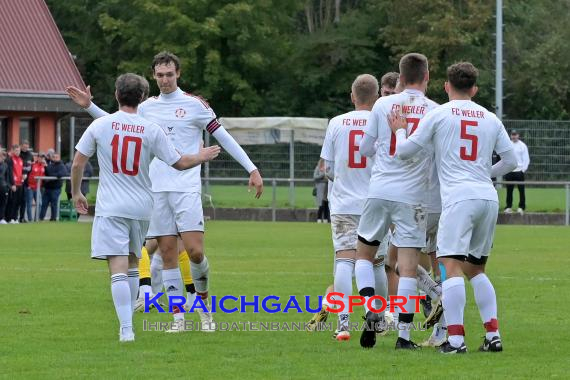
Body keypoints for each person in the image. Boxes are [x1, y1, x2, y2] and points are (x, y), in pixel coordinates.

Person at [67, 51, 263, 332]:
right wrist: (89, 106)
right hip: (156, 190)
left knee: (195, 252)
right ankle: (178, 318)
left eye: (169, 74)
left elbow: (223, 136)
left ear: (178, 74)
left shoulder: (195, 105)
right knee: (168, 254)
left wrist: (251, 168)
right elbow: (115, 124)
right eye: (159, 75)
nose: (165, 80)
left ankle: (204, 304)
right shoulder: (147, 107)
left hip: (185, 188)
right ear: (153, 76)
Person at [70, 73, 220, 342]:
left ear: (117, 94)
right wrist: (201, 156)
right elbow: (179, 162)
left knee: (118, 267)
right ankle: (142, 319)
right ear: (142, 98)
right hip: (142, 208)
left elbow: (78, 163)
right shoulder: (151, 129)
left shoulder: (101, 125)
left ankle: (126, 329)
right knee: (131, 262)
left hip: (111, 207)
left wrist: (76, 192)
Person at [389, 61, 517, 353]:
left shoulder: (439, 114)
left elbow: (405, 152)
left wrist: (399, 130)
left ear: (446, 86)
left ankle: (456, 340)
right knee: (477, 269)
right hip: (487, 197)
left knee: (451, 266)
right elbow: (511, 162)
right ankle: (492, 336)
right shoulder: (489, 117)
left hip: (459, 199)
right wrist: (484, 173)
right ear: (474, 88)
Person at [356, 53, 438, 350]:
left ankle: (369, 307)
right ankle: (403, 337)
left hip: (379, 189)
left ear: (400, 78)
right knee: (408, 266)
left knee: (364, 255)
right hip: (413, 196)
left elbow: (366, 149)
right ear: (427, 77)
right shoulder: (435, 110)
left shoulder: (382, 104)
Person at [320, 74, 384, 341]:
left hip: (344, 202)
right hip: (375, 201)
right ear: (378, 96)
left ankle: (343, 323)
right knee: (376, 263)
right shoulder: (381, 122)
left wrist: (342, 180)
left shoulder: (336, 123)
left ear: (352, 96)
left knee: (344, 260)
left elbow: (326, 168)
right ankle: (378, 318)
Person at [504, 130, 530, 215]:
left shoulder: (522, 146)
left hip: (519, 171)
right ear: (511, 136)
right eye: (512, 135)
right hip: (510, 171)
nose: (514, 136)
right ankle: (508, 207)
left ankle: (521, 207)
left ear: (518, 135)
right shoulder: (508, 145)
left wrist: (523, 170)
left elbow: (526, 159)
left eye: (515, 135)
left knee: (521, 190)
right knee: (509, 190)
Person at [39, 153, 67, 221]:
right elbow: (47, 173)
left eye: (56, 157)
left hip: (56, 188)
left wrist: (52, 176)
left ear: (59, 158)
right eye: (53, 157)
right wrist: (46, 167)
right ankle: (41, 218)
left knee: (54, 204)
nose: (55, 158)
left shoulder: (62, 166)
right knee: (44, 204)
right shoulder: (50, 165)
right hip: (47, 188)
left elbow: (62, 174)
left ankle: (53, 218)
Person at [26, 153, 46, 222]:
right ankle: (30, 219)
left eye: (43, 158)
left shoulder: (43, 166)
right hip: (30, 187)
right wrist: (27, 185)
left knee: (39, 203)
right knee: (29, 204)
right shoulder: (32, 165)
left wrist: (46, 166)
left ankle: (36, 218)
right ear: (37, 158)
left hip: (38, 188)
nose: (41, 159)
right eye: (40, 157)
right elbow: (27, 175)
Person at [6, 145, 24, 224]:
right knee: (12, 201)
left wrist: (23, 177)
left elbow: (20, 171)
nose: (18, 152)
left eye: (19, 150)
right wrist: (12, 184)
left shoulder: (20, 160)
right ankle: (10, 218)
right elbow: (10, 173)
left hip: (20, 183)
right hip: (14, 184)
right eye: (16, 150)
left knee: (18, 201)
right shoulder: (10, 160)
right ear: (12, 150)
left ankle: (15, 217)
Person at [20, 140, 33, 222]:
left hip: (27, 182)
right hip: (18, 180)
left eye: (27, 146)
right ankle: (12, 217)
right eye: (24, 146)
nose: (26, 147)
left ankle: (22, 218)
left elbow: (31, 167)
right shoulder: (19, 154)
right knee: (16, 200)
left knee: (24, 200)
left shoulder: (30, 155)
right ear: (21, 146)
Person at [313, 159, 329, 223]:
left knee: (326, 204)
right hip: (320, 188)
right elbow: (315, 177)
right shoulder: (318, 168)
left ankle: (326, 219)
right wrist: (323, 174)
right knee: (320, 204)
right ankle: (319, 218)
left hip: (327, 188)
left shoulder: (328, 169)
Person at [0, 149, 13, 224]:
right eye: (1, 155)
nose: (2, 157)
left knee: (3, 203)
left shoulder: (5, 165)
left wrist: (8, 186)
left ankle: (1, 218)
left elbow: (7, 177)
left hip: (3, 187)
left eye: (3, 156)